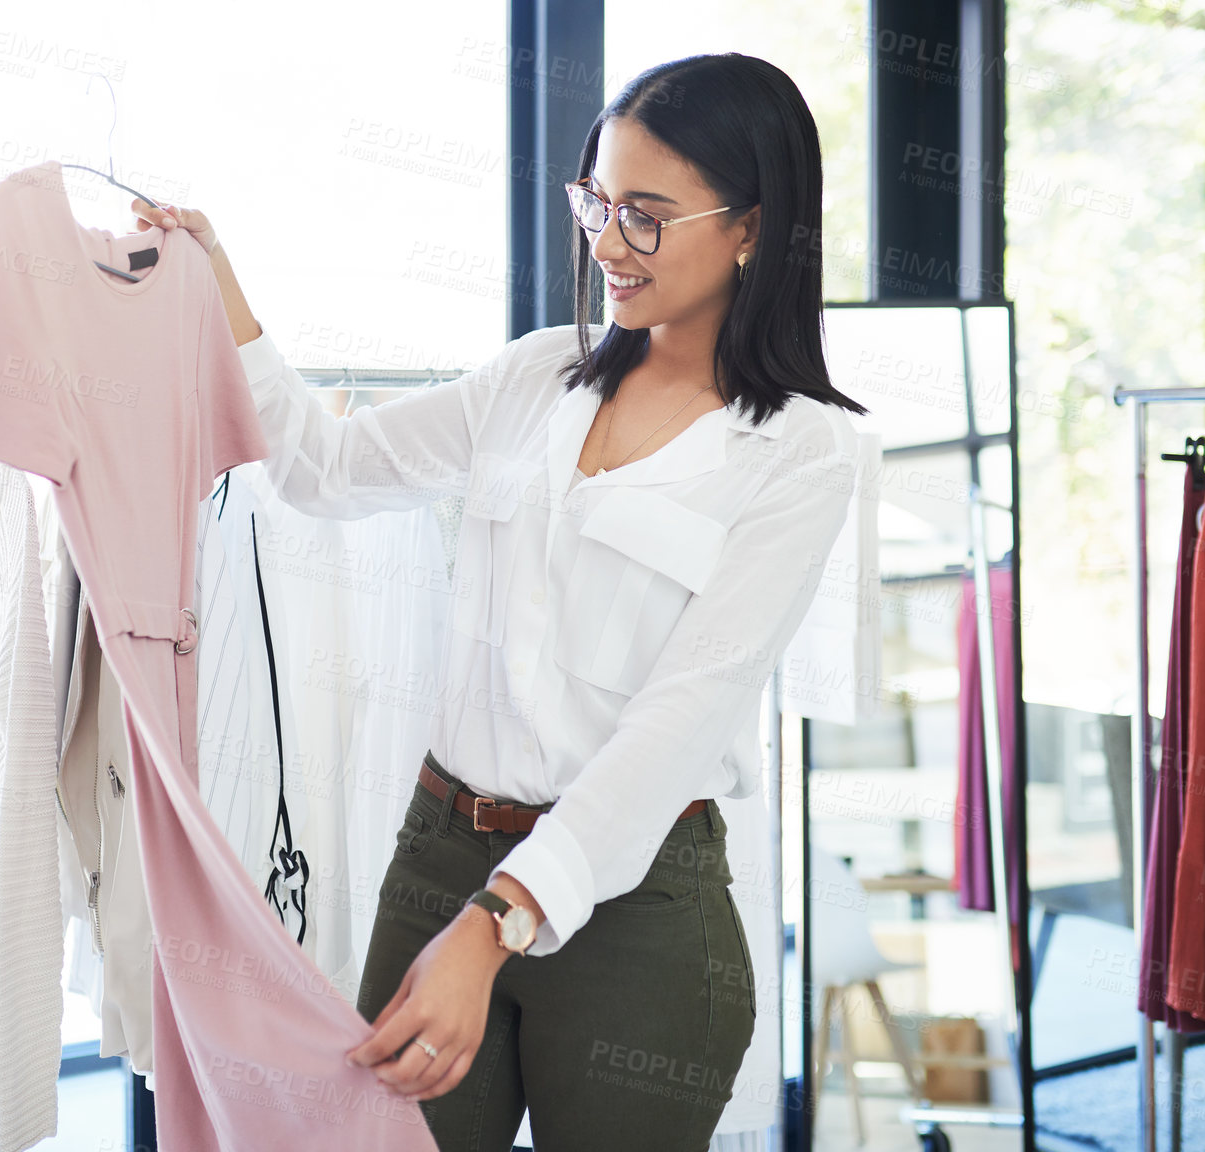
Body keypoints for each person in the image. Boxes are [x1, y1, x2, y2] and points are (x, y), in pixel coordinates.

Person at [129, 52, 866, 1152]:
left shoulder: (800, 451)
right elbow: (322, 471)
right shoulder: (534, 379)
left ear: (752, 227)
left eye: (647, 216)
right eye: (597, 204)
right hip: (439, 860)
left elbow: (674, 730)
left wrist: (496, 924)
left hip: (637, 913)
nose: (607, 244)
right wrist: (221, 283)